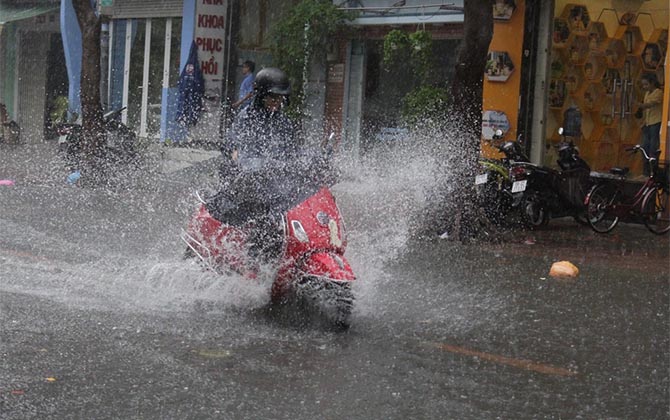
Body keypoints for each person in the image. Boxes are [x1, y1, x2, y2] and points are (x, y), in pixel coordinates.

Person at [213, 67, 299, 260]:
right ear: (260, 96)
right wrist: (241, 159)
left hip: (278, 188)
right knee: (262, 225)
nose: (276, 103)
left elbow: (293, 153)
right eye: (272, 98)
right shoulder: (246, 118)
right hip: (249, 188)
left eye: (280, 99)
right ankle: (254, 265)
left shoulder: (284, 123)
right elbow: (233, 147)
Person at [637, 73, 663, 177]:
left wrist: (639, 105)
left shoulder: (658, 92)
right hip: (647, 123)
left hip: (655, 123)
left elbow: (651, 104)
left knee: (653, 148)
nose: (644, 87)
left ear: (652, 83)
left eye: (646, 84)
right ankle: (645, 172)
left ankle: (653, 173)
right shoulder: (647, 94)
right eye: (643, 85)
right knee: (644, 147)